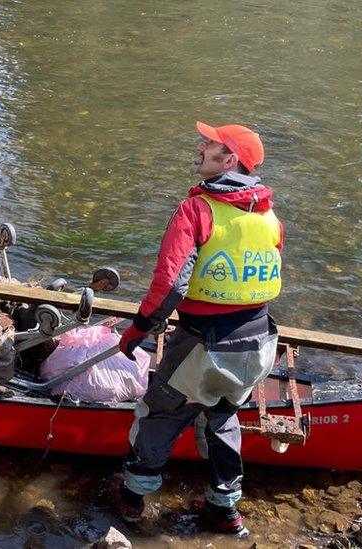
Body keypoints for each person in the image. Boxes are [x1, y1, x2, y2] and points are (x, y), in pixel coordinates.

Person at [113, 121, 283, 538]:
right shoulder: (270, 218)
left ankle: (132, 502)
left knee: (160, 413)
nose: (200, 146)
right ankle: (225, 511)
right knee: (223, 417)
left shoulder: (197, 210)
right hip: (257, 343)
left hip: (203, 343)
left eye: (210, 143)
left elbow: (170, 285)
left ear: (229, 160)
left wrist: (138, 329)